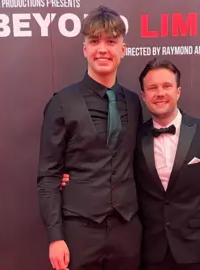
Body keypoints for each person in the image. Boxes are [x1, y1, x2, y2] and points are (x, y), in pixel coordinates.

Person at [62, 58, 200, 270]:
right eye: (152, 88)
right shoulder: (132, 137)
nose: (160, 93)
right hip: (149, 251)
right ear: (143, 97)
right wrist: (69, 179)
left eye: (166, 86)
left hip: (197, 250)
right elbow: (109, 169)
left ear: (178, 91)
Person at [37, 5, 142, 270]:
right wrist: (55, 237)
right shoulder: (61, 102)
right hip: (79, 231)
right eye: (94, 42)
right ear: (85, 50)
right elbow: (48, 175)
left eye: (111, 42)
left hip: (127, 229)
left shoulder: (133, 102)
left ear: (123, 49)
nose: (102, 49)